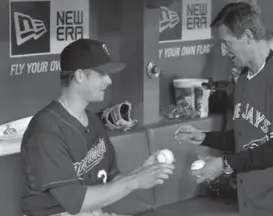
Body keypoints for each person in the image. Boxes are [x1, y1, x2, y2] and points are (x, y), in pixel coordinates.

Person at [175, 2, 273, 216]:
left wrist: (224, 163)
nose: (223, 52)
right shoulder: (243, 80)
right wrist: (204, 137)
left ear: (249, 37)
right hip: (253, 201)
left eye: (227, 43)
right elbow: (245, 140)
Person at [21, 39, 175, 216]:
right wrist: (134, 181)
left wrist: (143, 172)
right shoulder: (46, 130)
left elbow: (111, 181)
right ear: (79, 76)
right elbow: (75, 202)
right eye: (102, 73)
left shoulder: (94, 122)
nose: (109, 80)